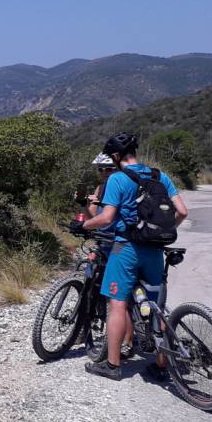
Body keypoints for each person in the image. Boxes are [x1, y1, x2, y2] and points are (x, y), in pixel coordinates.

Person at [75, 133, 189, 381]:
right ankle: (160, 366)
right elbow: (182, 211)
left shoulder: (117, 178)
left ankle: (113, 365)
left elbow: (105, 218)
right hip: (155, 250)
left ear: (116, 156)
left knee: (116, 304)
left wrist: (84, 226)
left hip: (124, 247)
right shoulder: (160, 176)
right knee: (156, 306)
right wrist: (160, 232)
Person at [84, 153, 134, 359]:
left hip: (119, 243)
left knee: (118, 295)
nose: (104, 173)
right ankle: (84, 325)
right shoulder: (101, 188)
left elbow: (107, 218)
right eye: (101, 169)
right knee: (89, 274)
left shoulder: (121, 184)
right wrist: (86, 205)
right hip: (103, 241)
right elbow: (93, 217)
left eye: (108, 169)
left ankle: (127, 342)